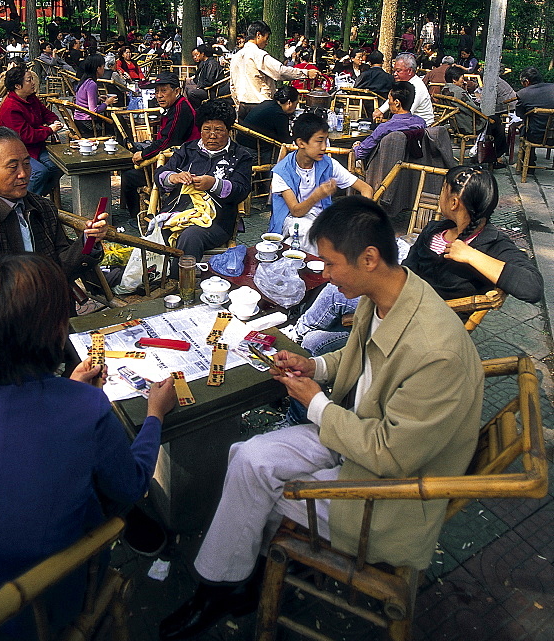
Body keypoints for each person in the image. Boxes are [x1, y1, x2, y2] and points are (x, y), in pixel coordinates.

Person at [159, 197, 485, 641]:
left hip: (389, 496)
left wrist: (315, 402)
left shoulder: (436, 351)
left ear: (369, 258)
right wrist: (317, 368)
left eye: (330, 264)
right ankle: (223, 585)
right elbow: (360, 357)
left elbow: (390, 454)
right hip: (357, 433)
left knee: (257, 490)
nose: (324, 274)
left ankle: (226, 589)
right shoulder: (390, 291)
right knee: (249, 458)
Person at [0, 254, 176, 637]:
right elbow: (131, 485)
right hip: (39, 609)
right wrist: (155, 415)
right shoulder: (86, 408)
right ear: (55, 331)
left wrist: (72, 391)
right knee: (108, 492)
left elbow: (20, 434)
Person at [0, 127, 110, 330]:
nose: (24, 174)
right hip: (9, 330)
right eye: (12, 167)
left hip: (57, 319)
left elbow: (60, 266)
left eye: (27, 164)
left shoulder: (41, 206)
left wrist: (87, 241)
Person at [404, 166, 543, 302]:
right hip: (406, 304)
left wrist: (471, 255)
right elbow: (407, 269)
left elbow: (532, 288)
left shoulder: (493, 244)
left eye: (443, 190)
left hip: (440, 319)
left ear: (454, 203)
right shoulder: (433, 230)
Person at [154, 99, 252, 262]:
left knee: (191, 236)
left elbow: (241, 190)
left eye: (219, 130)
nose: (212, 135)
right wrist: (174, 177)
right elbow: (160, 174)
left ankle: (180, 282)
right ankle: (153, 278)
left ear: (229, 130)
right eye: (207, 129)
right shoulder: (188, 150)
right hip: (178, 212)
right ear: (200, 130)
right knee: (156, 232)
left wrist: (213, 184)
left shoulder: (240, 156)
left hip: (217, 221)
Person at [269, 113, 372, 253]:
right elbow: (296, 211)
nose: (324, 147)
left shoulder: (328, 164)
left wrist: (360, 216)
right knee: (317, 238)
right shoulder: (283, 171)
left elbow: (366, 189)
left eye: (326, 141)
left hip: (322, 218)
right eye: (319, 141)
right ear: (301, 143)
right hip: (291, 220)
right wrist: (316, 196)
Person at [120, 73, 198, 218]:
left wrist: (143, 154)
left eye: (164, 90)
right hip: (173, 156)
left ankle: (138, 217)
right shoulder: (175, 105)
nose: (159, 95)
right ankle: (130, 210)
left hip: (181, 163)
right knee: (128, 163)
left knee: (130, 176)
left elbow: (167, 141)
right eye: (156, 91)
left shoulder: (180, 109)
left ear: (177, 91)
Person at [0, 64, 64, 196]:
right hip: (16, 150)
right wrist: (49, 130)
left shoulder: (31, 98)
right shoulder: (10, 107)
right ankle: (24, 202)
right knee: (40, 173)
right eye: (29, 80)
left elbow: (45, 113)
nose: (33, 83)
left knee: (59, 165)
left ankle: (38, 196)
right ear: (17, 86)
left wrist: (54, 121)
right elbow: (26, 135)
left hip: (36, 147)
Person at [229, 20, 308, 120]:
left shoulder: (236, 56)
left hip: (242, 106)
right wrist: (305, 73)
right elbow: (280, 72)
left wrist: (237, 103)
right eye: (266, 38)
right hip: (261, 106)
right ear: (258, 35)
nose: (267, 43)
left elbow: (232, 86)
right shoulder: (258, 54)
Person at [352, 81, 425, 163]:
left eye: (389, 99)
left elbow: (360, 153)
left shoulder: (385, 128)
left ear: (397, 103)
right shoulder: (420, 122)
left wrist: (356, 146)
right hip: (412, 167)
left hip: (384, 167)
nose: (388, 103)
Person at [239, 85, 299, 161]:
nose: (295, 108)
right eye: (296, 104)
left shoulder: (268, 103)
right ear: (289, 103)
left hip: (241, 144)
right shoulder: (279, 114)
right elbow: (285, 140)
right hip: (253, 152)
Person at [373, 52, 434, 126]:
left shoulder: (417, 87)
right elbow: (392, 97)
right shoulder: (405, 84)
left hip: (421, 128)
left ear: (409, 71)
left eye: (398, 71)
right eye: (394, 71)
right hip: (409, 123)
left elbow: (406, 114)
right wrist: (380, 110)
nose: (395, 74)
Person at [515, 67, 554, 171]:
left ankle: (529, 166)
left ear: (526, 81)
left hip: (536, 136)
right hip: (552, 135)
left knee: (525, 128)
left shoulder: (523, 93)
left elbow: (520, 114)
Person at [73, 55, 118, 137]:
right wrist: (107, 103)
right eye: (103, 67)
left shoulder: (84, 81)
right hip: (87, 123)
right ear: (98, 68)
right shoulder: (92, 84)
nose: (104, 69)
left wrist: (98, 99)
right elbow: (93, 111)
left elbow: (84, 101)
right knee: (115, 128)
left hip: (78, 120)